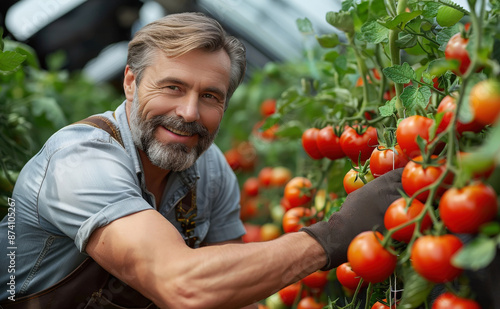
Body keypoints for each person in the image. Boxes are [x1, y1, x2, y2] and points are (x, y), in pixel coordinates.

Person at [0, 12, 404, 309]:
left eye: (210, 96)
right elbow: (184, 286)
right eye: (172, 87)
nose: (190, 112)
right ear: (130, 83)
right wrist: (334, 236)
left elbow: (230, 298)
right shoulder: (81, 161)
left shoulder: (211, 173)